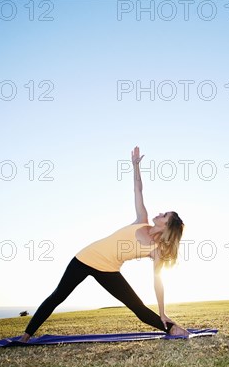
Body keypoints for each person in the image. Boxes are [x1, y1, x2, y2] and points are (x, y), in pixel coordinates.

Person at [19, 147, 189, 342]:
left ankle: (173, 329)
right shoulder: (142, 219)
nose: (160, 213)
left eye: (164, 215)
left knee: (138, 308)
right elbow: (138, 189)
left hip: (108, 270)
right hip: (85, 258)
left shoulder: (156, 251)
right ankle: (25, 336)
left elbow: (158, 282)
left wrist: (162, 312)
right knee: (57, 296)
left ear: (167, 225)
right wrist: (135, 166)